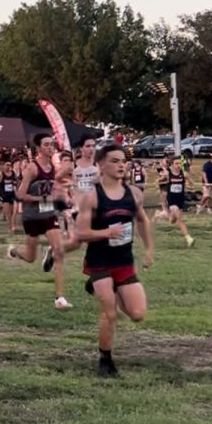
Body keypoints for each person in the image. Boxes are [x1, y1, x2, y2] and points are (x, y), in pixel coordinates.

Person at [65, 144, 154, 378]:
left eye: (123, 161)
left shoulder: (134, 193)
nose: (121, 165)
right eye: (114, 161)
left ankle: (100, 287)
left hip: (123, 261)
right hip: (99, 261)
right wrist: (105, 233)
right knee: (110, 313)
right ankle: (105, 360)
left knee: (137, 314)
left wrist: (149, 250)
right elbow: (80, 233)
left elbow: (143, 221)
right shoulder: (92, 197)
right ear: (101, 165)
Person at [7, 134, 72, 310]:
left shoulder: (54, 168)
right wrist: (40, 198)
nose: (51, 147)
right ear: (39, 148)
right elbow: (20, 194)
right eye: (47, 144)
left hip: (49, 215)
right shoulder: (32, 168)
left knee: (59, 250)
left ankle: (60, 297)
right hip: (32, 216)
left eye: (52, 144)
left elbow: (56, 189)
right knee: (30, 257)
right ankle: (14, 251)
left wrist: (62, 199)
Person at [161, 157, 195, 247]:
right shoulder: (168, 174)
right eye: (176, 163)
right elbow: (162, 176)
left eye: (180, 163)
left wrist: (189, 185)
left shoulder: (184, 174)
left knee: (172, 220)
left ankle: (160, 214)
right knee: (180, 218)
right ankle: (189, 238)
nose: (178, 165)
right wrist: (161, 177)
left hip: (180, 198)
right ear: (172, 164)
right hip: (171, 198)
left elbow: (192, 183)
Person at [0, 160, 19, 232]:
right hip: (4, 195)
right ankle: (10, 227)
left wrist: (15, 188)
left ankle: (14, 225)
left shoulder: (13, 173)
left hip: (12, 194)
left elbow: (16, 182)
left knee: (14, 211)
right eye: (6, 165)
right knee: (8, 213)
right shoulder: (1, 174)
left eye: (9, 165)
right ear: (4, 166)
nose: (8, 167)